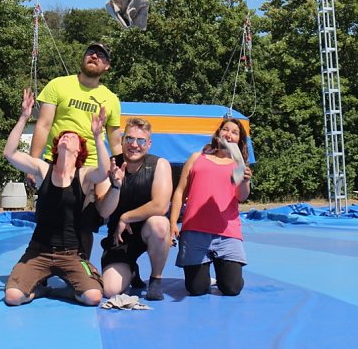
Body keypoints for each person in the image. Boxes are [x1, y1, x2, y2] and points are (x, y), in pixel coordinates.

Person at [2, 88, 110, 307]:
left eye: (72, 137)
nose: (66, 136)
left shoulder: (83, 175)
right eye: (63, 135)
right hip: (38, 251)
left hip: (71, 254)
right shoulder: (44, 170)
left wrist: (98, 137)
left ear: (80, 149)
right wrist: (24, 117)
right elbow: (10, 153)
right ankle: (41, 291)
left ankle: (63, 292)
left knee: (93, 297)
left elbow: (104, 171)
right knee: (13, 297)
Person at [30, 42, 122, 254]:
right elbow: (43, 125)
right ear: (83, 58)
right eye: (91, 52)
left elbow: (115, 141)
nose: (94, 56)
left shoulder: (111, 99)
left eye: (101, 56)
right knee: (47, 217)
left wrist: (122, 170)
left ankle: (80, 271)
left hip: (88, 169)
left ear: (107, 66)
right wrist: (33, 165)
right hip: (55, 163)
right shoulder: (58, 85)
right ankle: (40, 273)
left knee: (85, 222)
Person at [169, 117, 252, 297]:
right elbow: (179, 192)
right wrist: (173, 223)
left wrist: (245, 181)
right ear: (218, 133)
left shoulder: (239, 166)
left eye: (234, 132)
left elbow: (242, 196)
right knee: (196, 288)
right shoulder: (197, 158)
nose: (229, 134)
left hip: (227, 233)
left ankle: (224, 271)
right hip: (195, 231)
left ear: (240, 140)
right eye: (226, 129)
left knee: (232, 288)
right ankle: (204, 275)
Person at [96, 118, 172, 301]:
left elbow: (161, 206)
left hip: (147, 231)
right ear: (122, 140)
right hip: (119, 237)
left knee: (160, 224)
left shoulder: (160, 165)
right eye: (129, 139)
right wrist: (115, 186)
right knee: (111, 291)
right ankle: (131, 270)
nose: (134, 145)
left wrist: (126, 217)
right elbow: (103, 212)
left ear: (149, 144)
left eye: (141, 141)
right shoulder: (109, 166)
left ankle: (155, 279)